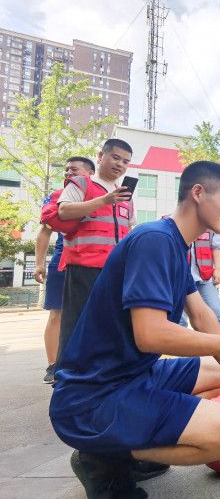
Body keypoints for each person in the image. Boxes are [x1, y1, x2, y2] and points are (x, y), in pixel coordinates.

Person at [49, 161, 220, 498]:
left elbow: (201, 315)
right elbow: (151, 335)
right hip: (92, 398)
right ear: (198, 193)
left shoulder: (174, 244)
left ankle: (134, 437)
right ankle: (102, 458)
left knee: (219, 373)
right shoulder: (154, 241)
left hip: (132, 377)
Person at [55, 138, 135, 371]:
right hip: (83, 266)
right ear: (101, 156)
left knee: (110, 322)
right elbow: (64, 210)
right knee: (76, 323)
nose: (120, 164)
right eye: (115, 157)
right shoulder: (81, 183)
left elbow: (129, 228)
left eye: (126, 162)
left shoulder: (126, 195)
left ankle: (101, 373)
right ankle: (66, 377)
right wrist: (104, 200)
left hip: (114, 269)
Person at [34, 156, 95, 384]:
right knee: (57, 314)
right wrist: (39, 262)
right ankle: (53, 366)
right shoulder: (57, 198)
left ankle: (87, 363)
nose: (69, 173)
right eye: (67, 169)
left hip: (94, 263)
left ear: (89, 173)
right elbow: (45, 232)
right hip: (63, 260)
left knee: (92, 315)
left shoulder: (104, 195)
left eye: (75, 170)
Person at [180, 230, 220, 332]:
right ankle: (179, 347)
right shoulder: (174, 220)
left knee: (216, 312)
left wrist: (217, 269)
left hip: (204, 277)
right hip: (180, 278)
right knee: (180, 319)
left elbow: (216, 248)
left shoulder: (211, 223)